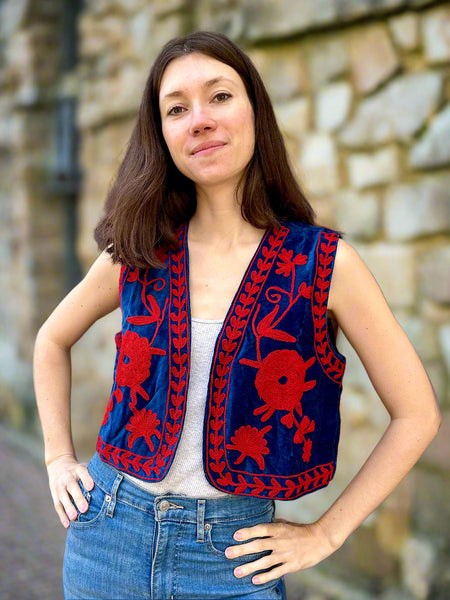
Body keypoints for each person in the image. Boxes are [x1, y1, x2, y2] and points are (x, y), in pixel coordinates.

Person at [33, 31, 440, 600]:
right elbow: (51, 340)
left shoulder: (323, 263)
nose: (199, 119)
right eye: (177, 108)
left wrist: (326, 534)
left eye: (219, 96)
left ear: (255, 110)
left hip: (233, 557)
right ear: (164, 136)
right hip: (108, 539)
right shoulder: (139, 250)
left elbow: (417, 413)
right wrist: (57, 457)